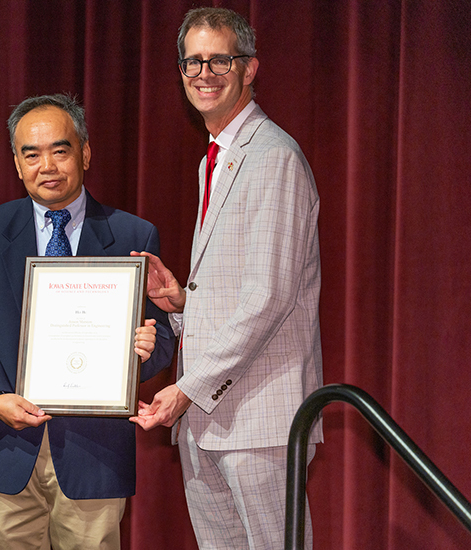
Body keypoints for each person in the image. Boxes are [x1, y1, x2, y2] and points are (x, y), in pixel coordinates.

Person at [0, 93, 175, 550]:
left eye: (59, 150)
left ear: (84, 153)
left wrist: (147, 351)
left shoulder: (133, 235)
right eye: (32, 153)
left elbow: (161, 337)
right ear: (16, 162)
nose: (46, 165)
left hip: (94, 455)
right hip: (2, 446)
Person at [130, 7, 323, 550]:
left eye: (220, 59)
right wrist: (178, 302)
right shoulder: (215, 158)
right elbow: (243, 293)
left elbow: (268, 299)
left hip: (260, 421)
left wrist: (186, 389)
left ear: (250, 67)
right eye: (192, 61)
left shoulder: (272, 156)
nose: (204, 73)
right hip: (210, 423)